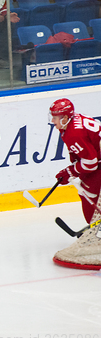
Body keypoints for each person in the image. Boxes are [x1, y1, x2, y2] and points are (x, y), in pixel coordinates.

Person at [49, 98, 101, 269]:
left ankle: (95, 235)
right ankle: (96, 232)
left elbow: (91, 162)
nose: (52, 120)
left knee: (89, 195)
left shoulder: (73, 132)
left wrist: (70, 172)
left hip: (98, 164)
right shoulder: (72, 123)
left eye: (55, 117)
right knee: (86, 193)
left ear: (64, 118)